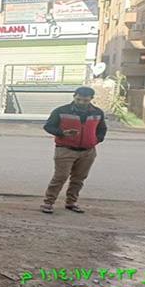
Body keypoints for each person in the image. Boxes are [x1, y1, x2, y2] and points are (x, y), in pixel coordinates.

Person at [41, 86, 107, 214]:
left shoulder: (98, 113)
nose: (81, 102)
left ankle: (71, 202)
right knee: (60, 177)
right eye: (79, 99)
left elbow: (102, 129)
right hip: (65, 149)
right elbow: (48, 126)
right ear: (74, 97)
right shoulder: (61, 111)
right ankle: (48, 202)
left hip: (88, 151)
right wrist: (62, 133)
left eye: (85, 100)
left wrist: (96, 140)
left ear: (91, 99)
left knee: (79, 178)